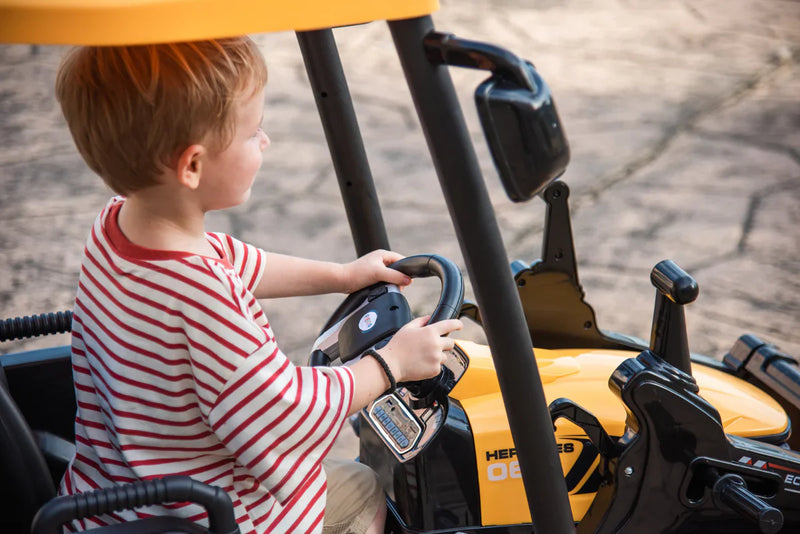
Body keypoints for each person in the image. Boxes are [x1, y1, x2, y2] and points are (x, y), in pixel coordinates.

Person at [54, 37, 463, 534]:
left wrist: (342, 275)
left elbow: (236, 261)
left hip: (113, 497)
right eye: (253, 133)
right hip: (211, 517)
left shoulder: (117, 227)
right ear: (193, 166)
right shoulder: (199, 298)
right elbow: (285, 411)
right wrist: (390, 363)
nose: (265, 141)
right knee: (360, 487)